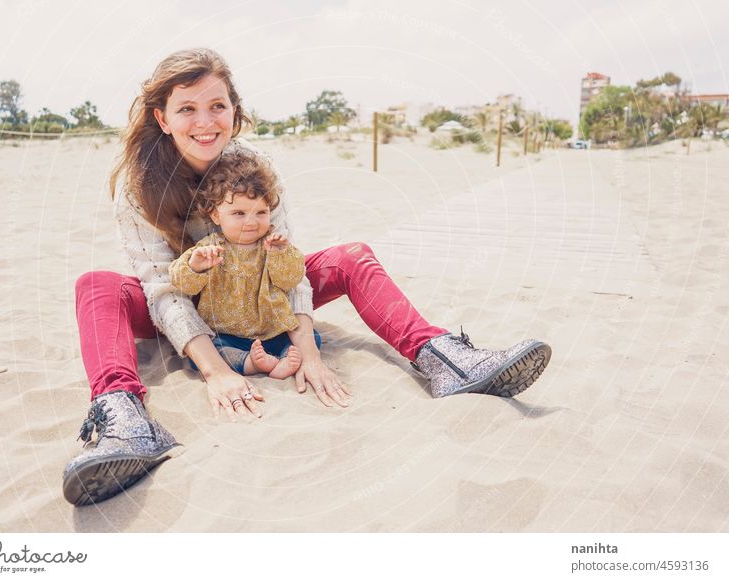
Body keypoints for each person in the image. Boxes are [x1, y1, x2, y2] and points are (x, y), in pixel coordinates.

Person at [63, 48, 552, 506]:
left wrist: (312, 354)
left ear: (235, 109)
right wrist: (216, 372)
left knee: (351, 256)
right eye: (187, 109)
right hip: (190, 314)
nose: (206, 122)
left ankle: (446, 360)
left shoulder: (255, 164)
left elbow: (290, 266)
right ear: (162, 118)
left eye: (217, 105)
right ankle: (123, 420)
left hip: (261, 299)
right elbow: (161, 290)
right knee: (97, 285)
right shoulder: (138, 185)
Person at [167, 149, 318, 382]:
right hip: (227, 333)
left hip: (272, 329)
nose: (251, 221)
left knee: (310, 337)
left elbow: (290, 280)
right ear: (216, 216)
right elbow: (183, 284)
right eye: (238, 213)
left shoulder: (272, 244)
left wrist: (281, 254)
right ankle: (249, 362)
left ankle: (285, 359)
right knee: (207, 352)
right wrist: (196, 266)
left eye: (261, 212)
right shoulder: (209, 248)